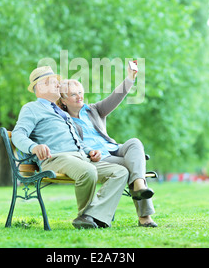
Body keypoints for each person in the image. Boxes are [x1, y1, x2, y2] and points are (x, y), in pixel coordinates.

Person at [12, 66, 129, 229]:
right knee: (88, 171)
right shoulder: (32, 108)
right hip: (56, 159)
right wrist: (33, 147)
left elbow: (76, 141)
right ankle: (86, 216)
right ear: (40, 87)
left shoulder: (63, 113)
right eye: (53, 82)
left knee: (120, 172)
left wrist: (90, 151)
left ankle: (92, 216)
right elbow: (18, 134)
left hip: (80, 157)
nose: (58, 85)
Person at [57, 65, 157, 227]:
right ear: (63, 100)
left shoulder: (94, 110)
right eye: (73, 94)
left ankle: (139, 183)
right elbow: (69, 144)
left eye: (80, 93)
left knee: (134, 142)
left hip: (113, 148)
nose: (79, 97)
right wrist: (89, 153)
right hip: (99, 159)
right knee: (134, 167)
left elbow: (116, 96)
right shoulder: (63, 120)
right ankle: (145, 218)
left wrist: (130, 78)